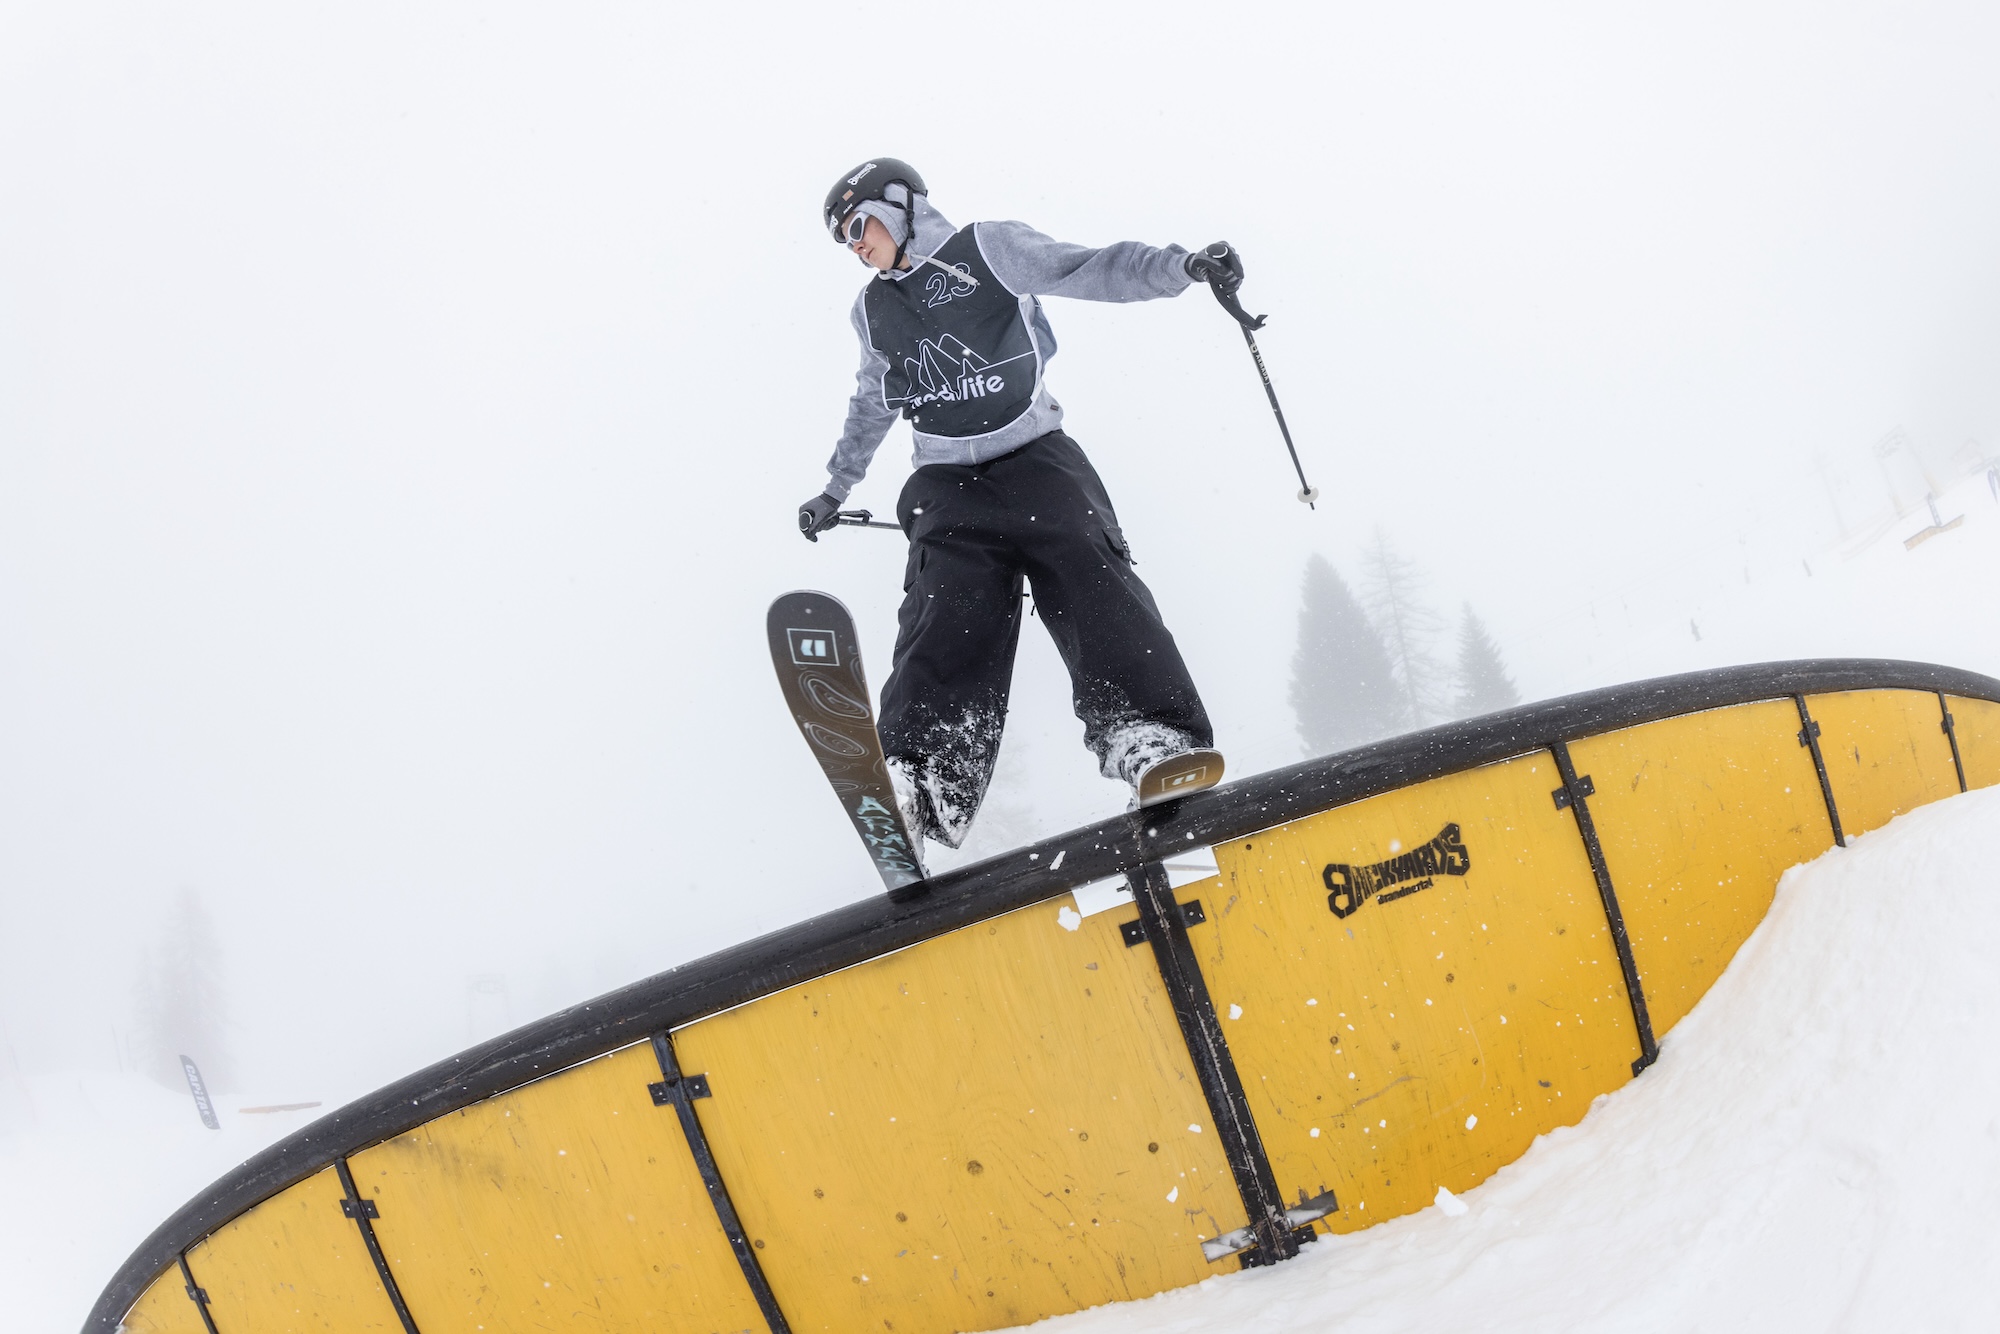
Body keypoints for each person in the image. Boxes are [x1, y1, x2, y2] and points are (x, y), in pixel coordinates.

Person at [800, 157, 1241, 856]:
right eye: (842, 241)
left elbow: (1091, 268)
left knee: (1091, 575)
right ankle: (926, 773)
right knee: (945, 609)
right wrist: (835, 487)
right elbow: (870, 400)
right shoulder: (872, 308)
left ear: (899, 205)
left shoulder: (989, 250)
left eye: (857, 226)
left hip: (1036, 458)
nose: (855, 246)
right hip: (946, 482)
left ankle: (1148, 737)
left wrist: (1181, 268)